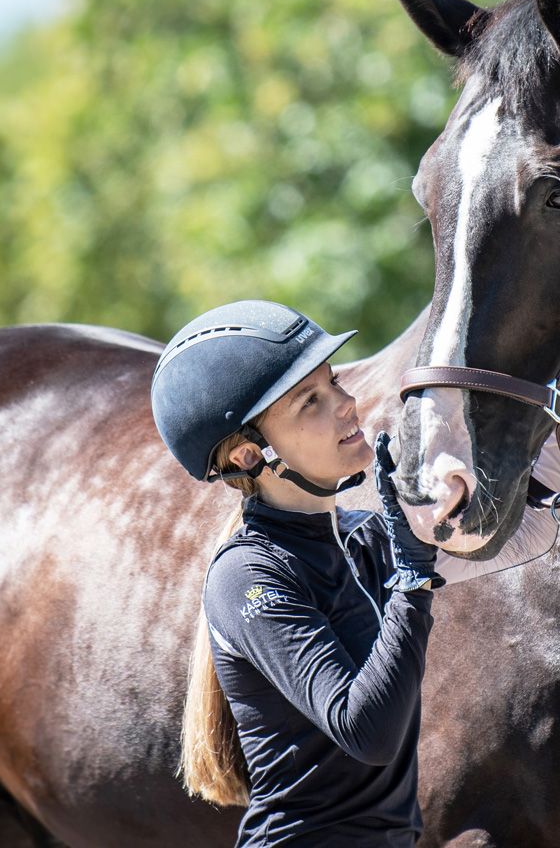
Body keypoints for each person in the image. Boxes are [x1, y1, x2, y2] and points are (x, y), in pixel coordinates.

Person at [150, 299, 445, 848]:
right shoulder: (247, 575)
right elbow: (368, 731)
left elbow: (513, 546)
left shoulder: (365, 537)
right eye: (312, 400)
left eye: (334, 382)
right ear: (247, 456)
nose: (348, 404)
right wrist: (412, 575)